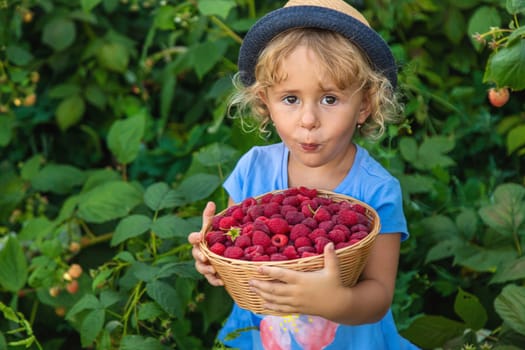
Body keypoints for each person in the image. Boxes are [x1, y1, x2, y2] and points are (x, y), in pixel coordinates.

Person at [188, 0, 419, 348]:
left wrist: (334, 302)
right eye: (290, 99)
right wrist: (213, 257)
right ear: (265, 101)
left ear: (365, 105)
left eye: (329, 99)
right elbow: (238, 247)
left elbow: (379, 294)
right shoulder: (253, 169)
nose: (308, 120)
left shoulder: (377, 190)